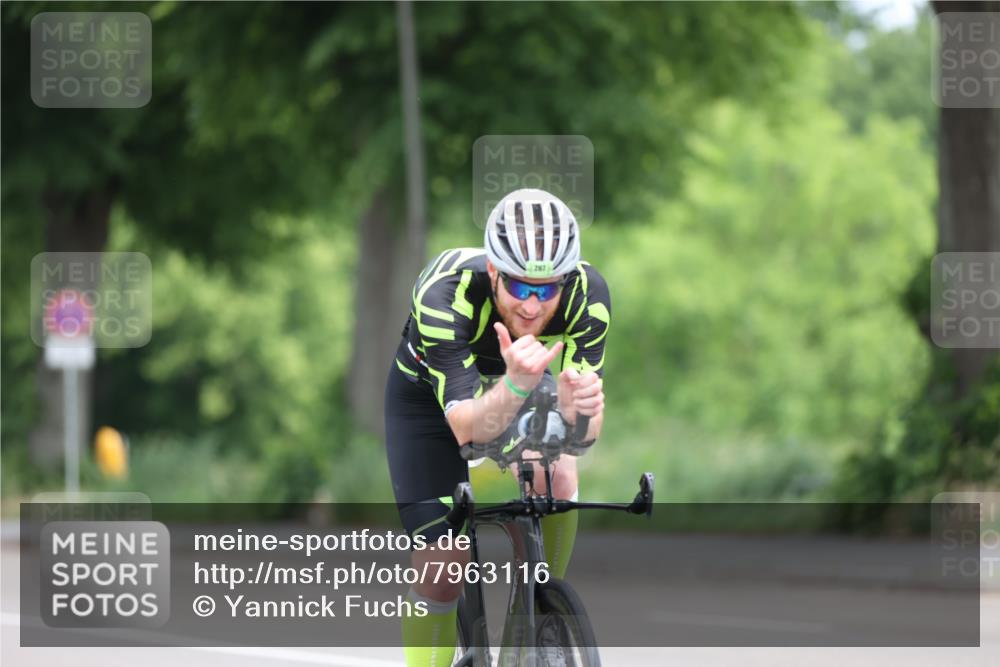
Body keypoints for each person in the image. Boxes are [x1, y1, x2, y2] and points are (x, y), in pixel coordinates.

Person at [384, 188, 610, 666]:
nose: (532, 306)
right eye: (520, 288)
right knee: (444, 565)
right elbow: (469, 431)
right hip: (431, 401)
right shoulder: (445, 295)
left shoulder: (587, 296)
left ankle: (542, 613)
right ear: (493, 272)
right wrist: (518, 383)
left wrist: (580, 414)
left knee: (558, 472)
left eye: (546, 290)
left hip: (518, 378)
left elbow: (584, 436)